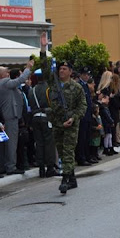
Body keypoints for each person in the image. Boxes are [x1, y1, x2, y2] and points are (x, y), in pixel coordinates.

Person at [39, 32, 88, 194]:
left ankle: (65, 179)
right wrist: (43, 49)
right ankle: (72, 178)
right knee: (61, 150)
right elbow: (45, 68)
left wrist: (73, 118)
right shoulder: (54, 82)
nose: (61, 71)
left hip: (71, 123)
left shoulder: (77, 87)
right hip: (57, 122)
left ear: (70, 72)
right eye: (60, 68)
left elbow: (83, 106)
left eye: (64, 69)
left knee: (68, 150)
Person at [0, 59, 34, 175]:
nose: (8, 74)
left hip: (5, 116)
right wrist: (28, 68)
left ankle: (3, 166)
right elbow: (20, 80)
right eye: (6, 72)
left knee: (3, 144)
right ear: (1, 75)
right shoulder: (5, 82)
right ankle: (11, 166)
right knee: (11, 143)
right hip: (10, 116)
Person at [27, 69, 58, 177]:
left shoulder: (32, 90)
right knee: (49, 143)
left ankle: (41, 168)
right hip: (46, 117)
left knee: (39, 143)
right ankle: (50, 167)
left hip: (35, 118)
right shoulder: (49, 89)